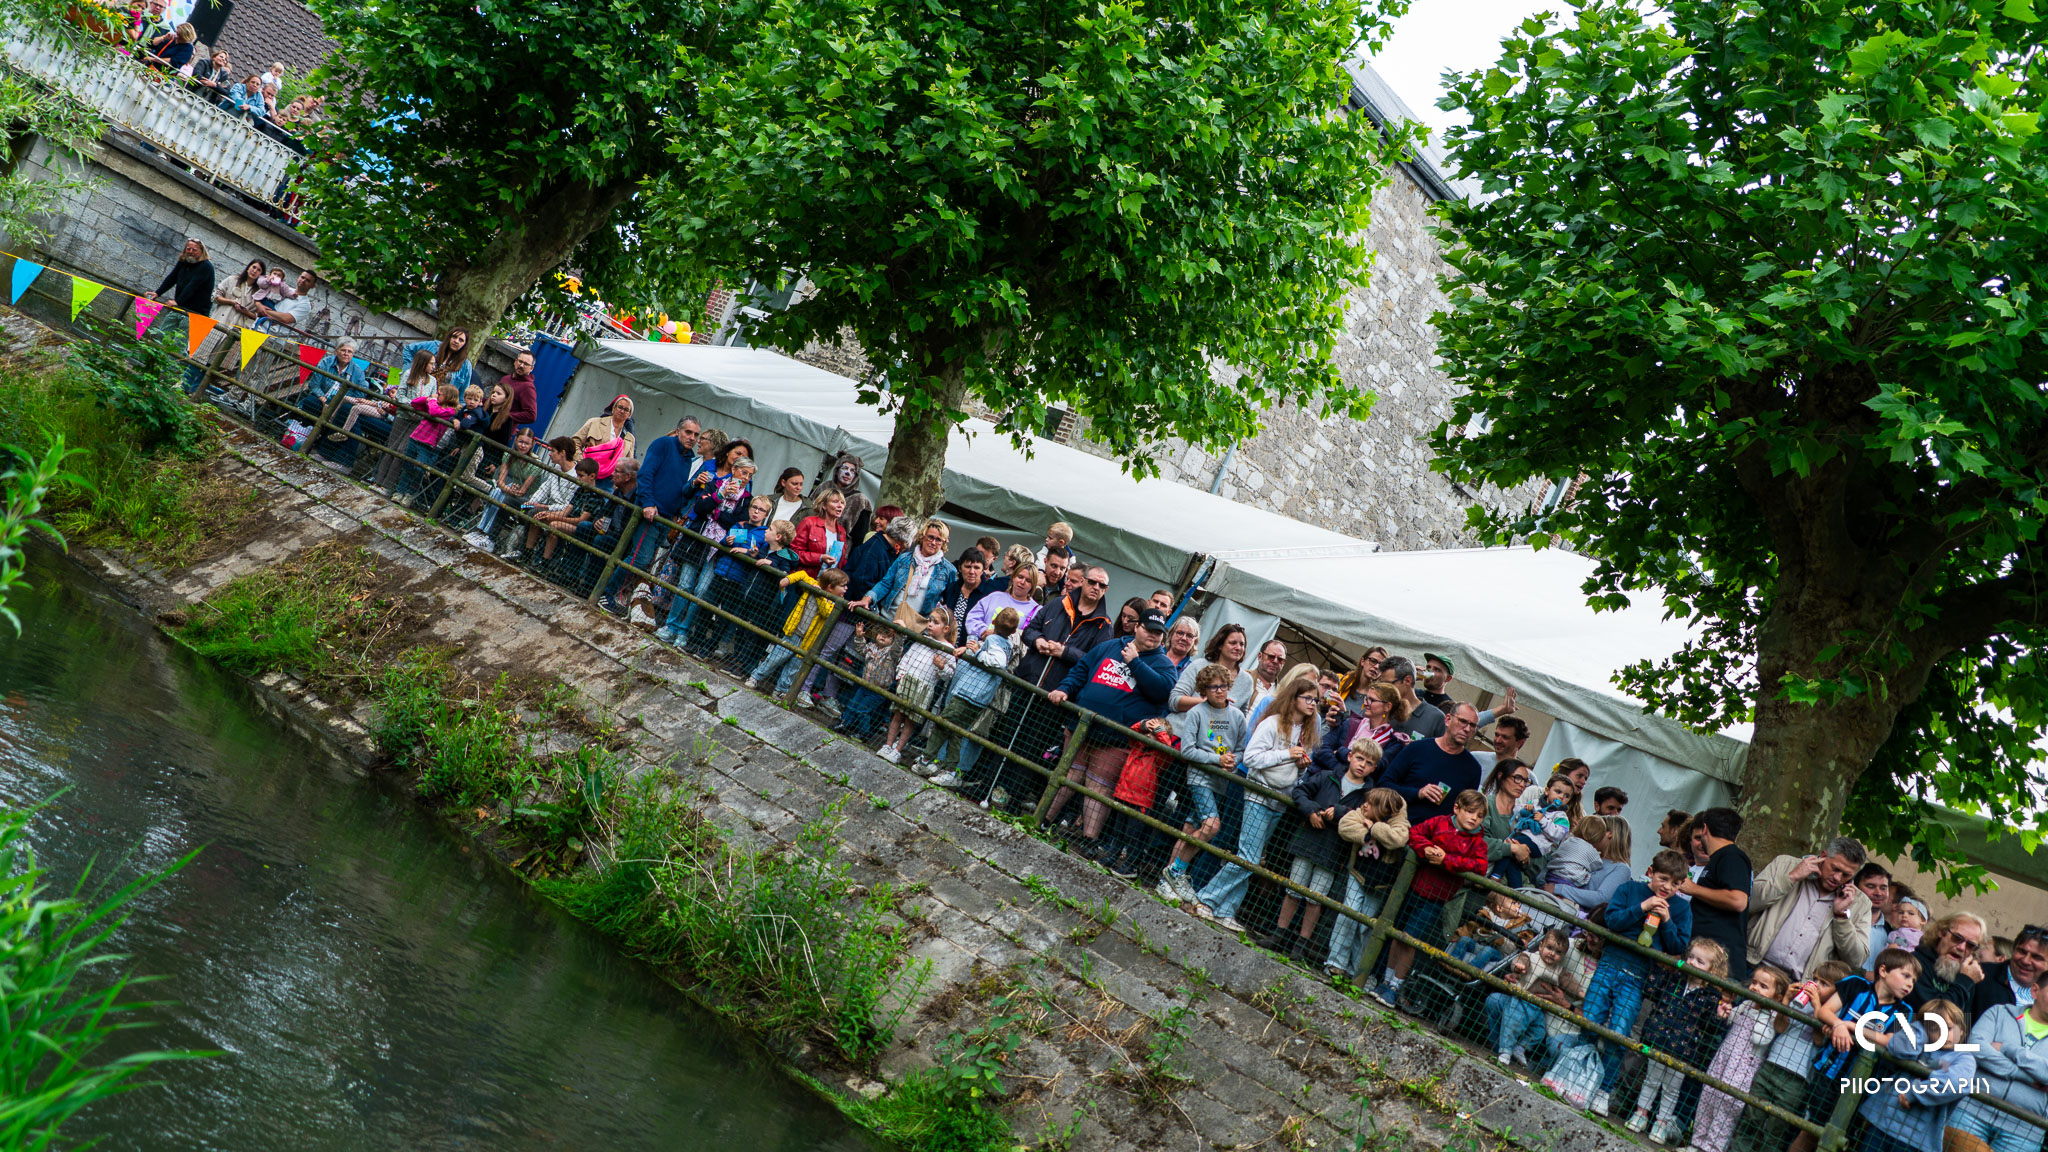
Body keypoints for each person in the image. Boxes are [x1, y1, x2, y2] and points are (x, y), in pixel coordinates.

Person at [1191, 672, 1323, 932]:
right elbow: (1250, 758)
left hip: (1280, 800)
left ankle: (1226, 910)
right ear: (1294, 698)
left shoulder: (1306, 733)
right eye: (1308, 698)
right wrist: (1286, 754)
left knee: (1251, 860)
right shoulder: (1273, 722)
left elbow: (1296, 776)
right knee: (1248, 857)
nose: (1312, 704)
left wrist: (1300, 767)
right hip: (1258, 794)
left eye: (1316, 700)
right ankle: (1205, 898)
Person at [974, 566, 1111, 811]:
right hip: (1028, 681)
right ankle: (986, 785)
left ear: (1106, 590)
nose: (1096, 588)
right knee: (1007, 734)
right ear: (1084, 582)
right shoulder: (1058, 604)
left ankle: (1011, 796)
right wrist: (1037, 641)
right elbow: (1029, 629)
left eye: (1102, 585)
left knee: (1032, 746)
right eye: (1092, 582)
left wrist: (1064, 652)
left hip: (1056, 695)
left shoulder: (1104, 626)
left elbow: (1095, 662)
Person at [1042, 610, 1175, 853]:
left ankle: (1089, 840)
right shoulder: (1111, 646)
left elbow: (1162, 691)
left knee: (1099, 786)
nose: (1153, 636)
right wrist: (1065, 688)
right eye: (1149, 630)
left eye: (1158, 633)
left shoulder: (1163, 663)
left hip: (1117, 737)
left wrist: (1135, 662)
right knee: (1069, 774)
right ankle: (1043, 818)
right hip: (1081, 724)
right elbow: (1081, 669)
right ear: (1137, 627)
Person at [1579, 849, 1695, 1117]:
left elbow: (1678, 946)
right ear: (1650, 873)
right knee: (1589, 1019)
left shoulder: (1681, 909)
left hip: (1639, 975)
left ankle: (1603, 1091)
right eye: (1663, 879)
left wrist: (1666, 920)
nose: (1668, 887)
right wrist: (1642, 907)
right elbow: (1612, 920)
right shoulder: (1629, 889)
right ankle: (1576, 1076)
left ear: (1681, 884)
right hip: (1609, 963)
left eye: (1675, 883)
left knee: (1620, 1033)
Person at [1261, 735, 1382, 962]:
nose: (1362, 765)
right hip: (1308, 841)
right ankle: (1279, 933)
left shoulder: (1369, 795)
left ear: (1374, 768)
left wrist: (1340, 812)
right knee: (1293, 890)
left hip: (1333, 850)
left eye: (1368, 763)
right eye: (1359, 759)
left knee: (1316, 898)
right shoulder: (1327, 776)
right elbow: (1300, 792)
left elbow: (1369, 818)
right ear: (1349, 757)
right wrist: (1311, 810)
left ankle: (1301, 943)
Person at [1371, 789, 1489, 1008]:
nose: (1474, 818)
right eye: (1470, 811)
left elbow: (1480, 866)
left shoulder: (1478, 843)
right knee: (1396, 934)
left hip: (1435, 899)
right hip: (1412, 888)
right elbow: (1415, 833)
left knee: (1410, 940)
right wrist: (1426, 849)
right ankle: (1385, 981)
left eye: (1479, 815)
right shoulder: (1439, 823)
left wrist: (1447, 860)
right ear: (1457, 808)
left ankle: (1395, 986)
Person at [1155, 663, 1249, 904]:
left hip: (1222, 782)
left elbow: (1241, 749)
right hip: (1199, 777)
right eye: (1213, 687)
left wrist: (1232, 761)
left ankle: (1170, 878)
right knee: (1211, 826)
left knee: (1194, 828)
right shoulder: (1196, 713)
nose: (1219, 691)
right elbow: (1187, 750)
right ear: (1204, 690)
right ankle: (1175, 872)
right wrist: (1217, 759)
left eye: (1223, 686)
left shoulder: (1237, 717)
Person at [1807, 949, 1923, 1141]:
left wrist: (1852, 1026)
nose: (1910, 984)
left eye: (1914, 980)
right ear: (1883, 971)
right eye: (1905, 976)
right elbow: (1825, 1011)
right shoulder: (1856, 985)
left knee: (1837, 1137)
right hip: (1828, 1071)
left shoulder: (1904, 1010)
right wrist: (1837, 1024)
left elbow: (1889, 1040)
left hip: (1860, 1086)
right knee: (1810, 1131)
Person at [1625, 938, 1730, 1143]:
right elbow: (1651, 991)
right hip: (1659, 1038)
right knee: (1651, 1079)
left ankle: (1661, 1123)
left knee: (1672, 1089)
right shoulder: (1674, 979)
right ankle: (1641, 1114)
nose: (1692, 963)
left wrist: (1719, 1016)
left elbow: (1709, 1027)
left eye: (1700, 961)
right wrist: (1661, 968)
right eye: (1691, 957)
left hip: (1684, 1049)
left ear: (1713, 970)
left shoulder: (1711, 996)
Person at [1691, 963, 1795, 1152]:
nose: (1755, 988)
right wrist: (1725, 1011)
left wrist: (1763, 1011)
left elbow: (1760, 1039)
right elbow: (1732, 1018)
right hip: (1723, 1060)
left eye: (1763, 986)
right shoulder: (1747, 1004)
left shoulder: (1772, 1016)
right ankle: (1697, 1142)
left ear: (1777, 998)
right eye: (1754, 982)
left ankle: (1712, 1148)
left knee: (1725, 1108)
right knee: (1708, 1097)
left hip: (1741, 1072)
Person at [1853, 997, 1977, 1152]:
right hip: (1881, 1123)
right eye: (1935, 1028)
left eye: (1949, 1028)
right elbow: (1899, 1047)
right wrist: (1921, 1029)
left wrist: (1914, 1092)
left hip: (1915, 1140)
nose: (1943, 1034)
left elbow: (1956, 1083)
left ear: (1962, 1031)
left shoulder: (1963, 1058)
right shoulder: (1918, 1044)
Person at [1746, 837, 1875, 979]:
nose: (1838, 878)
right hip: (1752, 965)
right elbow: (1748, 903)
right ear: (1823, 856)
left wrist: (1841, 916)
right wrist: (1792, 877)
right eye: (1835, 869)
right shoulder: (1785, 864)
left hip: (1801, 984)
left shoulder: (1860, 904)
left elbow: (1856, 960)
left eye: (1846, 875)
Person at [1952, 966, 2048, 1152]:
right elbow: (1975, 1047)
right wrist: (2026, 1076)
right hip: (1971, 1112)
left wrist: (2008, 1048)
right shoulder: (2000, 1013)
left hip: (2024, 1131)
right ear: (2035, 991)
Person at [929, 607, 1022, 790]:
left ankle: (932, 762)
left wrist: (978, 651)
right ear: (1013, 631)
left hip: (971, 693)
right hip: (975, 693)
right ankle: (947, 769)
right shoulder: (1005, 643)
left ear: (993, 623)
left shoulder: (994, 640)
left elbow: (999, 662)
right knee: (956, 730)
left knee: (945, 724)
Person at [1324, 787, 1412, 982]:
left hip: (1380, 883)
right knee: (1349, 913)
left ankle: (1356, 971)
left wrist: (1374, 828)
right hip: (1358, 873)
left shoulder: (1399, 820)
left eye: (1371, 804)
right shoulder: (1361, 812)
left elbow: (1398, 839)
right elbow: (1345, 825)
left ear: (1383, 809)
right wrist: (1367, 835)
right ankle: (1335, 964)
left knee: (1366, 925)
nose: (1365, 805)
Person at [1487, 928, 1585, 1067]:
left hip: (1538, 1009)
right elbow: (1520, 959)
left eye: (1558, 952)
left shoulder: (1559, 970)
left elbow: (1569, 981)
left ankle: (1520, 1047)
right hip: (1521, 1000)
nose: (1552, 953)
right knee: (1513, 1022)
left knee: (1539, 1031)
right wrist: (1519, 966)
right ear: (1540, 946)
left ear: (1563, 957)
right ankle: (1505, 1051)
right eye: (1549, 948)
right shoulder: (1532, 958)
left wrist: (1580, 993)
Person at [747, 566, 850, 696]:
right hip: (794, 633)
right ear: (830, 587)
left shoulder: (835, 602)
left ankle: (780, 690)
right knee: (775, 658)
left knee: (793, 668)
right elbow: (802, 574)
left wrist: (819, 595)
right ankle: (755, 677)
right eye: (843, 586)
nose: (846, 588)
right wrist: (787, 580)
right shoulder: (812, 585)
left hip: (809, 641)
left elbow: (826, 613)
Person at [1378, 701, 1483, 825]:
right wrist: (1418, 793)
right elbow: (1383, 785)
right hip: (1398, 826)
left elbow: (1466, 813)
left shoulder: (1473, 769)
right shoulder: (1417, 748)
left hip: (1436, 835)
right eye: (1463, 721)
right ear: (1448, 719)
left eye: (1472, 726)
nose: (1467, 729)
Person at [1682, 806, 1755, 981]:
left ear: (1705, 829)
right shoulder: (1720, 858)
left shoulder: (1731, 857)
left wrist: (1694, 889)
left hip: (1717, 966)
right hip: (1701, 959)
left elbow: (1738, 900)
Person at [880, 607, 957, 768]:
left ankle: (898, 750)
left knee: (910, 720)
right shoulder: (921, 638)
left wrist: (940, 667)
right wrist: (901, 673)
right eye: (930, 620)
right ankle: (888, 745)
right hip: (907, 680)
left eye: (935, 622)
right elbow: (907, 657)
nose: (930, 624)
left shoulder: (948, 649)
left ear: (946, 628)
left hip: (924, 687)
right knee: (897, 714)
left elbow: (949, 674)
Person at [856, 518, 959, 620]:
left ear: (944, 543)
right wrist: (868, 598)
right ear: (922, 537)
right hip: (887, 619)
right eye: (930, 537)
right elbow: (886, 583)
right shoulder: (904, 558)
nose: (933, 542)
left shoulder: (949, 571)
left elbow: (949, 605)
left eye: (938, 540)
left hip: (917, 626)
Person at [466, 427, 544, 549]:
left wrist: (512, 491)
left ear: (532, 444)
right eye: (520, 442)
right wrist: (508, 489)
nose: (523, 446)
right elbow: (500, 481)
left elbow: (523, 491)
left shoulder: (536, 463)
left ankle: (489, 537)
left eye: (526, 443)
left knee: (506, 499)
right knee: (497, 491)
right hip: (508, 490)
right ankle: (482, 531)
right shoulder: (509, 454)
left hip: (527, 502)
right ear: (516, 440)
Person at [1905, 912, 1987, 1016]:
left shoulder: (1968, 974)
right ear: (1942, 932)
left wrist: (1966, 980)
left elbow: (1964, 1021)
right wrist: (1964, 982)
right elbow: (1933, 1016)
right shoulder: (1914, 963)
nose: (1961, 948)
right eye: (1957, 938)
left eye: (1970, 945)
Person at [1551, 814, 1632, 914]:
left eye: (1599, 830)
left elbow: (1601, 898)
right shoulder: (1591, 855)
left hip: (1575, 915)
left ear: (1610, 834)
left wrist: (1558, 888)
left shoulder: (1621, 868)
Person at [1478, 758, 1538, 884]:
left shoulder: (1524, 813)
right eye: (1517, 778)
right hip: (1481, 878)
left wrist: (1523, 855)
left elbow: (1531, 857)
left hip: (1514, 880)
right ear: (1501, 776)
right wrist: (1512, 848)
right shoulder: (1485, 805)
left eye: (1526, 781)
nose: (1522, 785)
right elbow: (1478, 843)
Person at [1171, 624, 1252, 714]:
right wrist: (1207, 702)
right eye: (1233, 643)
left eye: (1242, 644)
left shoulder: (1247, 681)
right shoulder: (1199, 665)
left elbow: (1241, 717)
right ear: (1220, 645)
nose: (1238, 648)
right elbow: (1174, 701)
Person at [1973, 925, 2048, 1020]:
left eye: (2036, 957)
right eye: (2022, 952)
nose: (2025, 961)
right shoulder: (1980, 975)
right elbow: (1961, 1016)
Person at [962, 560, 1039, 645]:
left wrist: (996, 635)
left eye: (1028, 580)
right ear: (1013, 577)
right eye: (1020, 577)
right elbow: (972, 618)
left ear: (1033, 585)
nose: (1022, 582)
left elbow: (1031, 637)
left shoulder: (1036, 611)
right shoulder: (994, 597)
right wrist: (983, 631)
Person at [807, 452, 873, 542]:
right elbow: (808, 511)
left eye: (853, 471)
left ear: (856, 476)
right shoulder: (824, 487)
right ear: (837, 470)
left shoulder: (861, 500)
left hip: (839, 545)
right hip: (811, 537)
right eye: (844, 468)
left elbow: (859, 537)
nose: (848, 473)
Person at [1378, 657, 1446, 740]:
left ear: (1407, 680)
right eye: (1382, 684)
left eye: (1388, 684)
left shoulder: (1435, 718)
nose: (1384, 689)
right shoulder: (1382, 709)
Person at [148, 237, 215, 317]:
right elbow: (172, 278)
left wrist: (178, 302)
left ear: (201, 251)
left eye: (194, 250)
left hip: (195, 313)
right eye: (188, 249)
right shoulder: (183, 261)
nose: (191, 252)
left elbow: (193, 286)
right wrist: (157, 293)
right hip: (179, 307)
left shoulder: (206, 266)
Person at [401, 329, 475, 397]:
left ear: (465, 344)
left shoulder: (466, 365)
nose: (456, 341)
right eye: (454, 337)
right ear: (449, 337)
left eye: (461, 340)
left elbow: (462, 394)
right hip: (415, 393)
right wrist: (411, 372)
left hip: (440, 402)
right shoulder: (434, 346)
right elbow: (408, 349)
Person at [1334, 647, 1388, 717]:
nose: (1377, 667)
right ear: (1362, 661)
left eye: (1382, 665)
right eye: (1373, 661)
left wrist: (1344, 714)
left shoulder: (1378, 700)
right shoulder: (1340, 681)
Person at [499, 350, 540, 427]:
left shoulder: (528, 387)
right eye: (520, 361)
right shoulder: (505, 379)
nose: (521, 365)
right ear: (515, 361)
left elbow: (531, 415)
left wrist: (506, 416)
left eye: (526, 364)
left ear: (531, 368)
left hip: (504, 430)